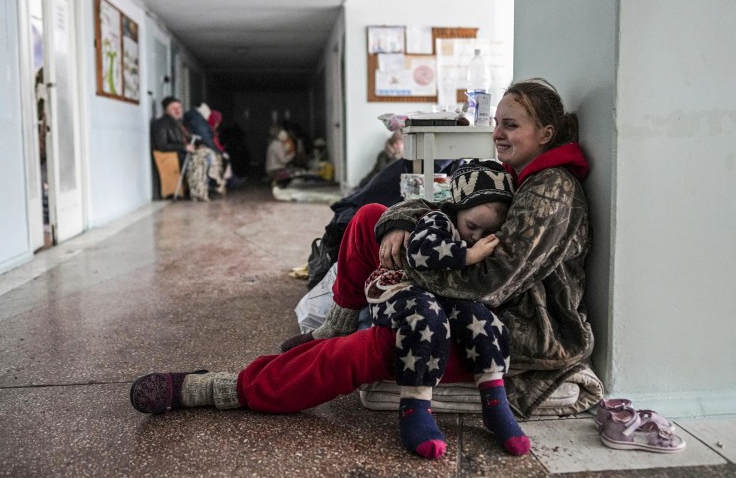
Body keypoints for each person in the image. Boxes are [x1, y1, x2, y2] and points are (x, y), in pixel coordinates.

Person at [130, 78, 596, 459]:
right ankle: (334, 323)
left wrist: (408, 269)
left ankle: (222, 389)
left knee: (361, 351)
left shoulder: (551, 191)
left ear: (546, 134)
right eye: (496, 123)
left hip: (514, 328)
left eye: (510, 126)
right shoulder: (515, 173)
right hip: (466, 294)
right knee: (371, 217)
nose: (497, 133)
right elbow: (439, 201)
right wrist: (399, 223)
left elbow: (493, 284)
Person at [363, 159, 528, 459]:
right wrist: (467, 254)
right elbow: (420, 251)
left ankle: (495, 404)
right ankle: (415, 406)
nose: (476, 236)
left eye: (486, 231)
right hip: (399, 288)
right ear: (457, 211)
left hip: (441, 293)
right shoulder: (438, 220)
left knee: (480, 317)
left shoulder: (479, 233)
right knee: (427, 317)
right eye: (471, 226)